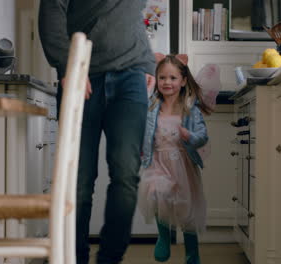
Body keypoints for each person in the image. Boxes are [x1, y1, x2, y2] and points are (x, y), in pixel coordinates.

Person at [38, 1, 156, 263]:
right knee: (78, 180)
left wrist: (147, 62)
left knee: (126, 174)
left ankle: (110, 259)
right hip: (82, 74)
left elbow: (130, 16)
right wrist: (67, 65)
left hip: (131, 76)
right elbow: (51, 12)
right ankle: (74, 257)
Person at [139, 53, 213, 264]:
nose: (167, 82)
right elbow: (141, 127)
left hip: (183, 164)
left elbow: (203, 135)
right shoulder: (151, 105)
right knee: (156, 195)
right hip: (158, 161)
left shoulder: (190, 108)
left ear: (182, 81)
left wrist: (190, 136)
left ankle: (192, 252)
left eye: (172, 78)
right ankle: (163, 237)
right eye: (162, 78)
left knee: (185, 208)